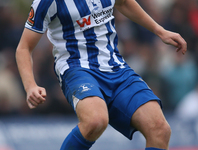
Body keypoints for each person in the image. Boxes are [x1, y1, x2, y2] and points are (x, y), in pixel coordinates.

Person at [15, 0, 187, 149]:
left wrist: (160, 31)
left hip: (116, 67)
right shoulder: (46, 2)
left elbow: (124, 2)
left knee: (160, 129)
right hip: (76, 68)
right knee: (95, 121)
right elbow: (24, 48)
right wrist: (30, 86)